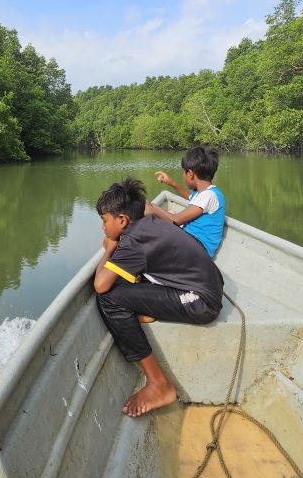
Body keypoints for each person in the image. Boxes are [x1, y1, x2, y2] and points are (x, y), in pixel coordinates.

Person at [93, 178, 224, 417]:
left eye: (104, 221)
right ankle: (149, 310)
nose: (103, 227)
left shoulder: (132, 242)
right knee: (125, 280)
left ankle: (158, 384)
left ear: (122, 220)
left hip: (201, 301)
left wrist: (109, 249)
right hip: (209, 284)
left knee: (109, 299)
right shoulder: (149, 222)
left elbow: (101, 285)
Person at [145, 146, 226, 259]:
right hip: (190, 242)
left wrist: (152, 208)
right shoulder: (204, 193)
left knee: (151, 228)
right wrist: (171, 183)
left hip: (197, 249)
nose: (183, 175)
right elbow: (190, 196)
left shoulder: (209, 195)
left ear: (190, 174)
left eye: (183, 172)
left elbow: (176, 220)